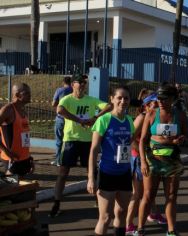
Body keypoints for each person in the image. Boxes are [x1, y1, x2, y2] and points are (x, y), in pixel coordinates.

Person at [49, 74, 112, 218]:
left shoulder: (90, 99)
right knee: (63, 173)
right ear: (73, 85)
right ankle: (56, 203)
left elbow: (109, 106)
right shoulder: (67, 99)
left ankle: (98, 201)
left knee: (92, 172)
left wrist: (96, 117)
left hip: (88, 141)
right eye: (80, 82)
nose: (83, 85)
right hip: (70, 140)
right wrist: (78, 119)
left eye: (84, 83)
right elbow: (59, 110)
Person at [135, 84, 187, 236]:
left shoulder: (181, 115)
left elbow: (185, 136)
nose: (161, 101)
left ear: (172, 99)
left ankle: (171, 230)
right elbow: (142, 140)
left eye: (165, 98)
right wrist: (143, 161)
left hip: (172, 161)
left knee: (171, 196)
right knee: (148, 195)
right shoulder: (151, 114)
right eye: (159, 98)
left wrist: (181, 139)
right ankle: (140, 228)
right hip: (153, 161)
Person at [87, 86, 134, 236]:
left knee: (121, 212)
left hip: (125, 173)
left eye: (126, 98)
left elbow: (129, 144)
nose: (122, 101)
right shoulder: (104, 119)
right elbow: (94, 149)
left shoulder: (129, 120)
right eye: (119, 97)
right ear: (112, 99)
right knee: (106, 217)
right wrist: (91, 178)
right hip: (107, 173)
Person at [126, 92, 167, 235]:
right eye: (154, 103)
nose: (158, 105)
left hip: (150, 159)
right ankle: (128, 225)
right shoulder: (142, 117)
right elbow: (130, 140)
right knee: (137, 194)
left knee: (149, 192)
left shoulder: (154, 117)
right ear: (147, 105)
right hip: (139, 159)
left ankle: (153, 213)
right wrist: (143, 155)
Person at [0, 83, 34, 178]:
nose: (30, 95)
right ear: (18, 95)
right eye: (27, 93)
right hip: (12, 158)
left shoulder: (23, 110)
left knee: (22, 188)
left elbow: (24, 136)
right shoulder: (7, 110)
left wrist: (29, 157)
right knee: (11, 188)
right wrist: (6, 151)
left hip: (24, 158)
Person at [51, 76, 73, 166]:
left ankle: (58, 160)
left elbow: (54, 104)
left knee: (59, 140)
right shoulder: (73, 91)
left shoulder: (60, 90)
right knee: (69, 140)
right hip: (71, 118)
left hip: (61, 118)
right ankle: (70, 159)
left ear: (63, 82)